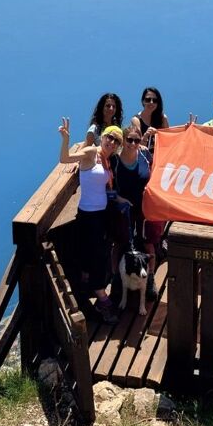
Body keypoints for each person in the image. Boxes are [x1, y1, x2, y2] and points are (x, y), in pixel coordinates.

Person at [59, 118, 124, 322]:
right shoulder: (91, 153)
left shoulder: (107, 160)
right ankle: (102, 298)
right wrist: (66, 139)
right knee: (98, 256)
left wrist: (121, 200)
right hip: (88, 216)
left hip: (101, 215)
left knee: (99, 255)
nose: (112, 143)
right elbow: (65, 158)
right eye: (110, 138)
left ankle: (91, 290)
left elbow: (106, 188)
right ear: (102, 137)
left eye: (116, 141)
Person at [108, 125, 159, 302]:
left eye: (136, 140)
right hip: (123, 209)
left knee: (148, 243)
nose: (132, 143)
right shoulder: (114, 161)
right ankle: (116, 280)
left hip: (145, 208)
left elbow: (158, 172)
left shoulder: (145, 155)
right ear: (123, 140)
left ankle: (150, 278)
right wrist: (119, 199)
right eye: (129, 139)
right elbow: (107, 189)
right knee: (119, 244)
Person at [131, 87, 170, 151]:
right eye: (148, 100)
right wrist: (146, 135)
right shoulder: (136, 120)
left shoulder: (163, 118)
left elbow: (169, 139)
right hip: (144, 157)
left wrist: (186, 128)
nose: (151, 102)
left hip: (160, 155)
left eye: (155, 100)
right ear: (143, 101)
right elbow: (137, 145)